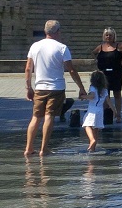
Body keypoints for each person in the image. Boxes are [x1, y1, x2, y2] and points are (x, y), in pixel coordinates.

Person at [24, 20, 86, 157]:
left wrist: (28, 87)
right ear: (57, 31)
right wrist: (81, 88)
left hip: (39, 87)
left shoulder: (35, 46)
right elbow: (71, 70)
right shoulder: (62, 48)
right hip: (56, 87)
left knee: (35, 117)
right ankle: (43, 148)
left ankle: (28, 148)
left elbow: (28, 68)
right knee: (49, 116)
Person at [92, 28, 122, 123]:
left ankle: (118, 115)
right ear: (104, 36)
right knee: (105, 94)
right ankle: (107, 114)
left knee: (117, 93)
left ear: (114, 36)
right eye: (106, 35)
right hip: (104, 74)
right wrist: (97, 60)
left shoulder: (118, 46)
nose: (108, 37)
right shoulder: (101, 47)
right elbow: (93, 53)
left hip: (116, 73)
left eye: (110, 35)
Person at [80, 70, 115, 152]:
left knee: (87, 125)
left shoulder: (92, 87)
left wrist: (83, 96)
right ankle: (93, 148)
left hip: (92, 110)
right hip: (100, 111)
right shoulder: (104, 90)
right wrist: (115, 111)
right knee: (96, 129)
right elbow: (109, 101)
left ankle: (92, 140)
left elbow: (92, 96)